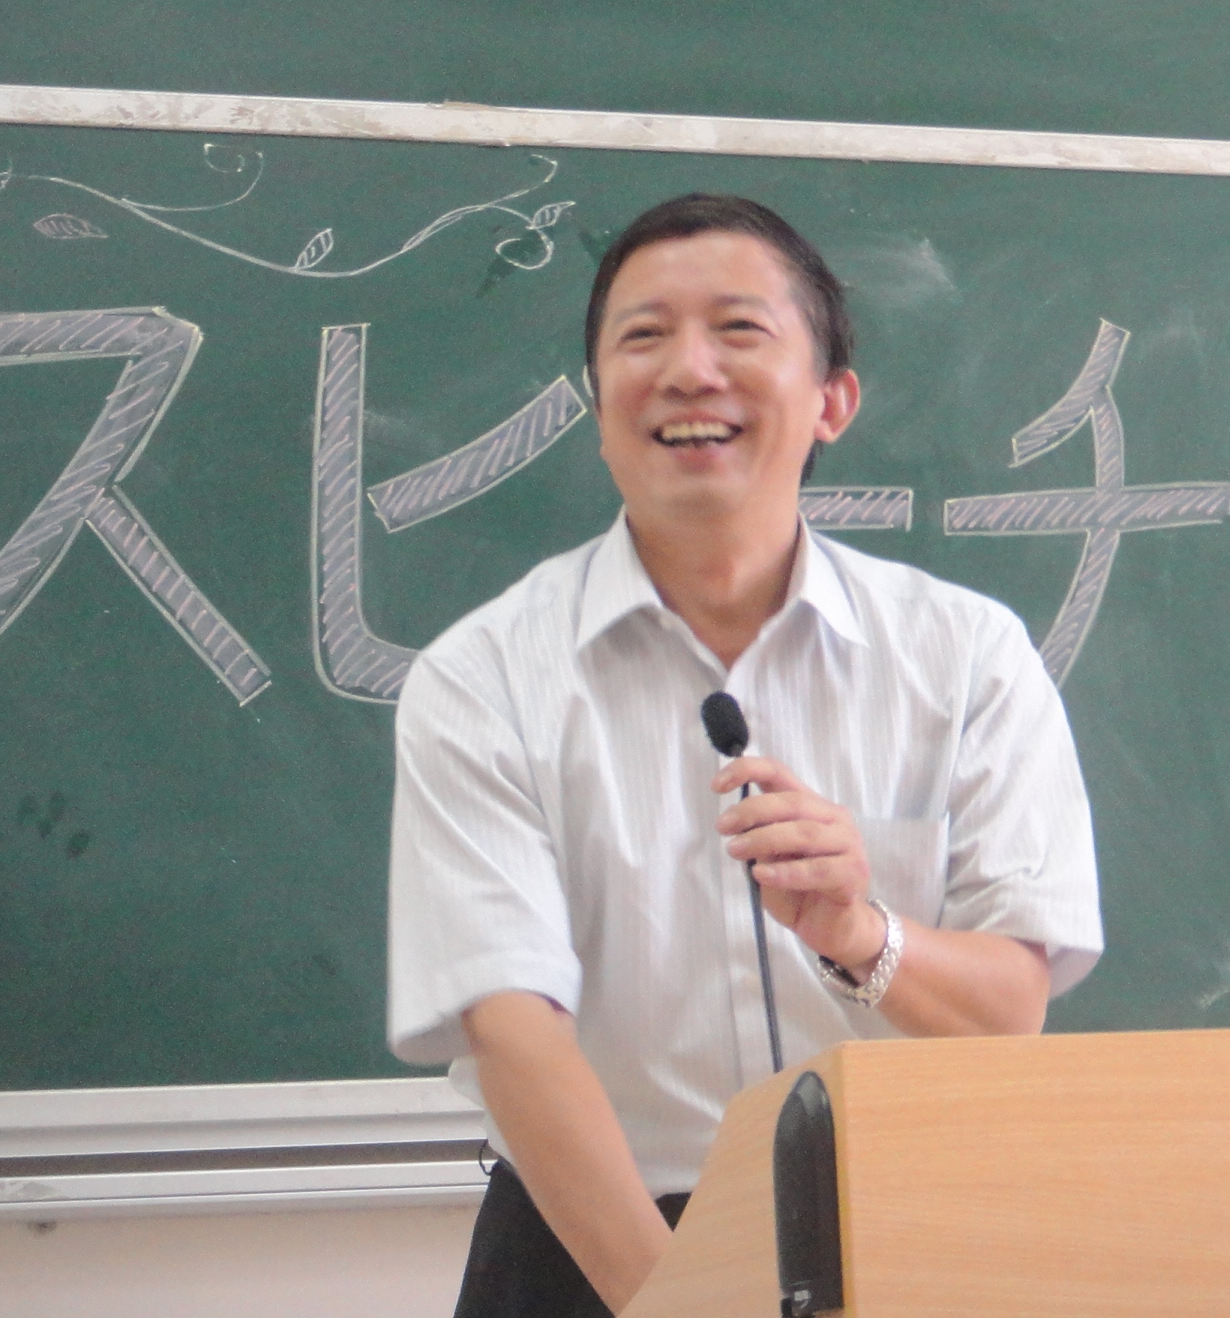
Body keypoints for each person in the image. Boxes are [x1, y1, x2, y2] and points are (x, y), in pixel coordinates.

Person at [386, 193, 1102, 1318]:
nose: (689, 371)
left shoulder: (967, 656)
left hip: (906, 1238)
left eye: (738, 330)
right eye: (643, 337)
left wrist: (860, 935)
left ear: (831, 402)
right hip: (587, 1251)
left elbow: (1008, 1010)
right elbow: (512, 1031)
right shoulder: (483, 676)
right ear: (596, 405)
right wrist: (676, 1304)